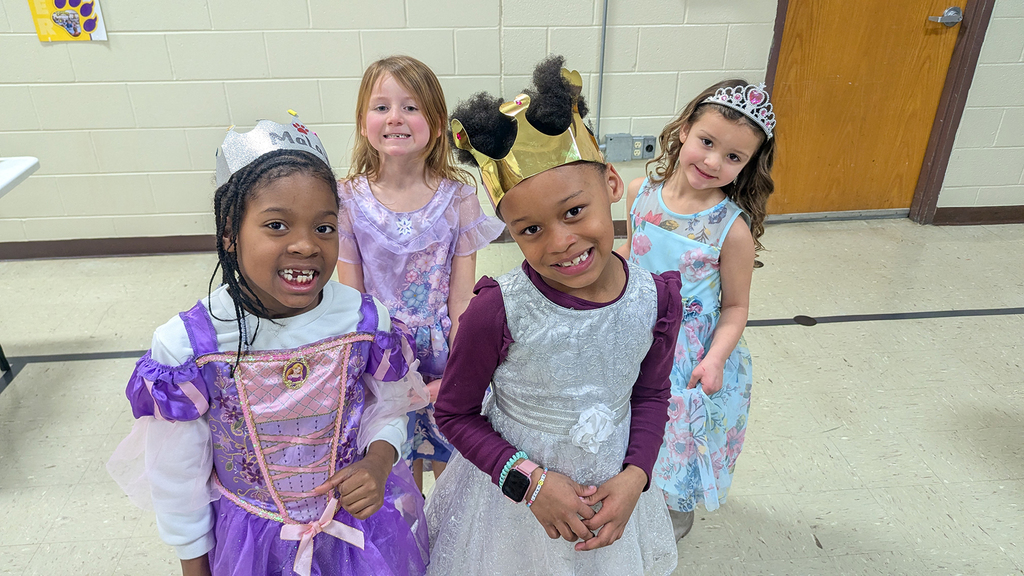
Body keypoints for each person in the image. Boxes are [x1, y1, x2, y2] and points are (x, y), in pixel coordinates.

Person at [107, 116, 431, 576]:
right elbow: (179, 480)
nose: (305, 245)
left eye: (324, 227)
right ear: (229, 233)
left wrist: (378, 461)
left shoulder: (364, 320)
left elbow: (390, 407)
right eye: (277, 225)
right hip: (250, 548)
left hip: (358, 537)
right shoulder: (189, 348)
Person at [425, 56, 681, 576]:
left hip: (614, 498)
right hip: (512, 516)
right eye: (530, 230)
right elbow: (454, 414)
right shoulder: (497, 309)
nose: (561, 242)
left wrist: (636, 478)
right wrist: (529, 483)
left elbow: (651, 394)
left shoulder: (656, 299)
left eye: (573, 212)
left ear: (611, 184)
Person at [616, 79, 776, 539]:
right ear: (684, 130)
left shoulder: (732, 229)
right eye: (707, 142)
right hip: (638, 335)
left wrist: (714, 359)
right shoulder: (639, 193)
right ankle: (632, 493)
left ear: (748, 166)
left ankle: (668, 511)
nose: (712, 162)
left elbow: (736, 306)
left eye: (733, 157)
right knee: (630, 422)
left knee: (674, 436)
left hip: (688, 356)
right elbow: (632, 252)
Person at [336, 55, 504, 491]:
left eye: (410, 107)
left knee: (451, 463)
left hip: (440, 351)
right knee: (393, 466)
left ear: (435, 121)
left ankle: (450, 549)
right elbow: (351, 299)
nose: (396, 118)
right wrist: (362, 361)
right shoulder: (347, 199)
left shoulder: (458, 196)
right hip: (381, 351)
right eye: (381, 107)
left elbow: (462, 296)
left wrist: (462, 362)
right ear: (361, 121)